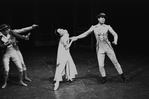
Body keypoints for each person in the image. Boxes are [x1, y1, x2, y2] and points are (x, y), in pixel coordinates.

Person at [71, 13, 127, 84]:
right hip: (100, 48)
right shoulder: (94, 27)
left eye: (104, 18)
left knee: (115, 62)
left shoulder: (107, 27)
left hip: (107, 47)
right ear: (98, 19)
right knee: (101, 65)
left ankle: (122, 77)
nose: (103, 19)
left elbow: (115, 34)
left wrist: (115, 40)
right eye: (101, 17)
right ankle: (104, 78)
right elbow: (85, 33)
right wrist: (76, 37)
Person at [0, 24, 38, 88]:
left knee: (21, 65)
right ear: (2, 31)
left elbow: (20, 32)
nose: (8, 30)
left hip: (14, 51)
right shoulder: (0, 36)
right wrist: (6, 44)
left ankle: (22, 79)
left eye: (7, 29)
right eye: (6, 29)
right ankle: (5, 82)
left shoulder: (10, 32)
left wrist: (25, 37)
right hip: (5, 54)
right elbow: (1, 46)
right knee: (6, 69)